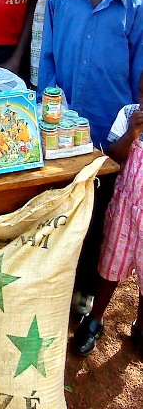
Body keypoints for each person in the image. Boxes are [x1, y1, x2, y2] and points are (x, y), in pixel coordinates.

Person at [38, 0, 143, 317]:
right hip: (62, 130)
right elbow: (48, 59)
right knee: (57, 206)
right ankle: (50, 284)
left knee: (99, 213)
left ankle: (83, 289)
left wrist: (129, 133)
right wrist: (48, 112)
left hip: (109, 134)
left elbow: (137, 76)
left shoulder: (134, 9)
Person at [72, 72, 143, 357]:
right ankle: (95, 319)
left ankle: (141, 326)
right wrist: (132, 134)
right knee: (111, 263)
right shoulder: (127, 115)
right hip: (125, 210)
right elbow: (113, 155)